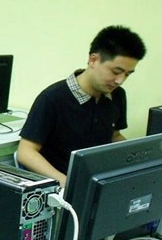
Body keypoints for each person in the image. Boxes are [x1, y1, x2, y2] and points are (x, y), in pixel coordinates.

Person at [16, 25, 147, 187]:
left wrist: (139, 159)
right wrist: (66, 184)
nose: (120, 80)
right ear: (93, 60)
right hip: (60, 186)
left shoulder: (117, 95)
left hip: (98, 182)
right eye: (116, 71)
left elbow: (114, 136)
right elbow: (26, 152)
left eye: (127, 74)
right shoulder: (53, 98)